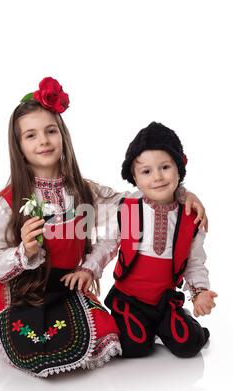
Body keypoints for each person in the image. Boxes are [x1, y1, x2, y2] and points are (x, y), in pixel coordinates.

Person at [0, 77, 208, 377]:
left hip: (67, 286)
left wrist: (183, 193)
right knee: (35, 345)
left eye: (51, 131)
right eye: (31, 135)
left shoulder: (82, 191)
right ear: (18, 145)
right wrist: (24, 251)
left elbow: (139, 198)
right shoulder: (10, 200)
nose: (43, 141)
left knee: (108, 334)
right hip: (28, 291)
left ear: (62, 135)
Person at [67, 122, 217, 359]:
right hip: (129, 299)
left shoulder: (190, 217)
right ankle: (144, 329)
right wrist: (88, 269)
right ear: (135, 178)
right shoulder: (128, 208)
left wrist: (200, 292)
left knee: (189, 345)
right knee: (133, 347)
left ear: (179, 170)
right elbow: (108, 244)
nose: (157, 177)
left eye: (165, 167)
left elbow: (194, 263)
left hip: (165, 301)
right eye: (146, 171)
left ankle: (171, 322)